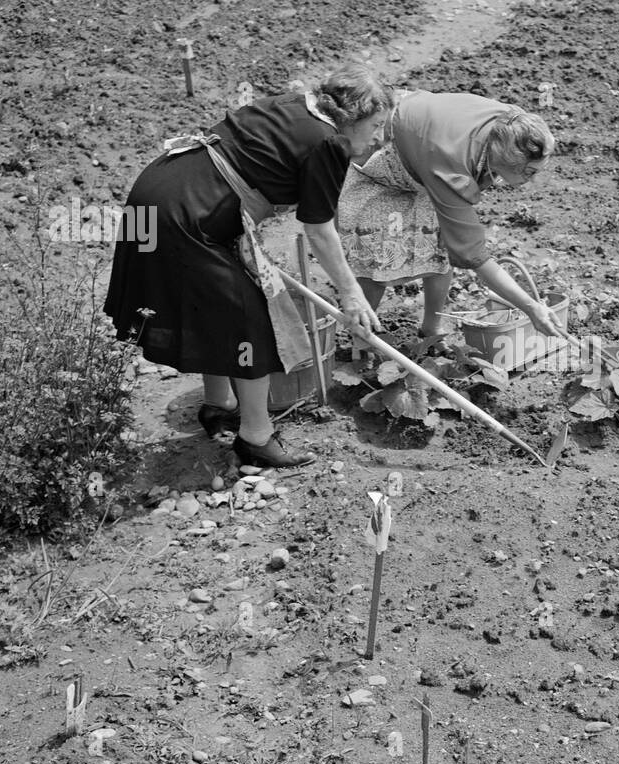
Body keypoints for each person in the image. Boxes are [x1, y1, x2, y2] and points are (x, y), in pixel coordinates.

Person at [103, 63, 390, 468]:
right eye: (376, 125)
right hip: (186, 214)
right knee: (250, 315)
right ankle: (256, 437)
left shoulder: (296, 104)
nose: (379, 137)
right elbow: (319, 228)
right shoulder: (329, 143)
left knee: (214, 305)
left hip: (156, 191)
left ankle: (219, 404)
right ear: (351, 118)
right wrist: (351, 292)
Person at [335, 91, 569, 343]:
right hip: (382, 159)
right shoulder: (452, 170)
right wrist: (531, 307)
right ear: (508, 161)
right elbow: (473, 254)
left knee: (438, 247)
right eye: (529, 172)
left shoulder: (512, 125)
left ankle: (431, 329)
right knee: (376, 258)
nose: (532, 180)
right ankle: (360, 340)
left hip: (424, 157)